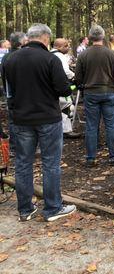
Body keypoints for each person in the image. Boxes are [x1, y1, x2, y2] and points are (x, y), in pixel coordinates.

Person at [2, 24, 76, 222]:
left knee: (23, 163)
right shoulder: (50, 59)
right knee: (50, 163)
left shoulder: (10, 59)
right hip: (47, 118)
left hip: (20, 118)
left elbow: (8, 90)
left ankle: (25, 209)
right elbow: (64, 90)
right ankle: (53, 208)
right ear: (45, 38)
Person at [75, 25, 114, 167]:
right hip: (109, 92)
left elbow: (78, 77)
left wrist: (83, 86)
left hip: (91, 93)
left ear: (90, 37)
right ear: (103, 37)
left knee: (91, 126)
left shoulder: (83, 55)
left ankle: (91, 158)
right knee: (111, 125)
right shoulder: (111, 54)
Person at [50, 38, 79, 139]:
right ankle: (66, 130)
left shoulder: (49, 54)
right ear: (58, 47)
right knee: (67, 106)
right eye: (65, 46)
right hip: (61, 86)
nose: (68, 48)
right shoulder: (60, 56)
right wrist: (75, 76)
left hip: (51, 88)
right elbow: (66, 71)